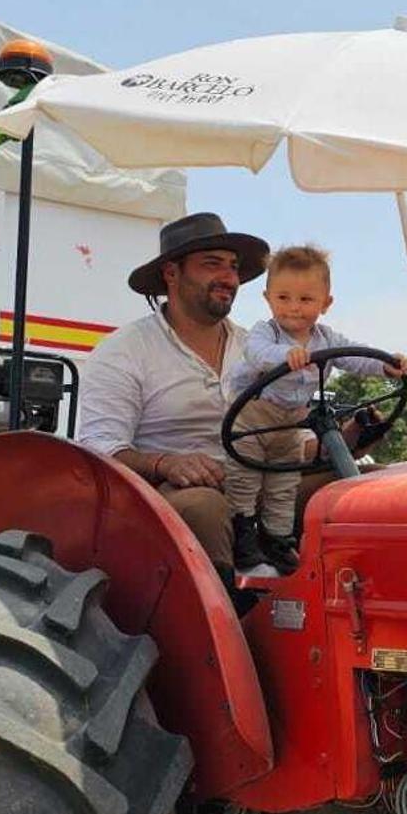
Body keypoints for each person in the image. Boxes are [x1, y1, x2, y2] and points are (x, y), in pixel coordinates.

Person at [77, 211, 269, 584]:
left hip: (256, 486)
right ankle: (229, 613)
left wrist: (351, 435)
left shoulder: (257, 350)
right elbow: (101, 450)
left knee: (355, 490)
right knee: (203, 506)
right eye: (212, 264)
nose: (228, 277)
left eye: (233, 267)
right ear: (171, 273)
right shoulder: (125, 350)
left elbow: (295, 436)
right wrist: (166, 464)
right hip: (162, 498)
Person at [223, 244, 407, 573]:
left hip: (291, 423)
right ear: (268, 298)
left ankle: (278, 541)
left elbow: (355, 356)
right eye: (283, 298)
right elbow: (256, 353)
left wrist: (385, 366)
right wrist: (285, 356)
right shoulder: (266, 332)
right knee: (244, 480)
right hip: (252, 418)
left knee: (284, 484)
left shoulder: (326, 339)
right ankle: (244, 538)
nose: (293, 308)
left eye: (306, 299)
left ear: (326, 303)